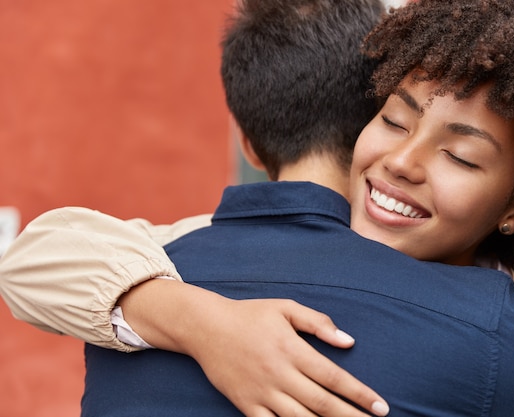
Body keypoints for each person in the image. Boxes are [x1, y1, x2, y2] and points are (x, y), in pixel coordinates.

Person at [3, 0, 514, 415]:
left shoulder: (178, 252)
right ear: (364, 119)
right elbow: (36, 256)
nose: (405, 162)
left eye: (460, 158)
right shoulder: (168, 261)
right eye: (393, 121)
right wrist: (199, 321)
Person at [0, 0, 392, 416]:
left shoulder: (177, 250)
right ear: (378, 119)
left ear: (248, 145)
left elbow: (25, 263)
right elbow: (28, 264)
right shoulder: (435, 266)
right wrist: (208, 326)